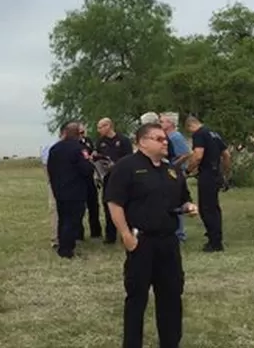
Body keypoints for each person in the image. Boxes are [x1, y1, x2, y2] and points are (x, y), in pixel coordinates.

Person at [104, 123, 199, 348]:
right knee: (137, 298)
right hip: (141, 242)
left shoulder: (171, 170)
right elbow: (114, 202)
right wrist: (126, 235)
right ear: (142, 141)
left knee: (171, 296)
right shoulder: (127, 167)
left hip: (168, 242)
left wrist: (189, 206)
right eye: (158, 138)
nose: (165, 142)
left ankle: (170, 342)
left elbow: (181, 199)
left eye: (165, 138)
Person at [46, 121, 94, 258]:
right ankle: (67, 249)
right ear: (78, 134)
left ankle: (62, 244)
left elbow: (50, 169)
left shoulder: (55, 148)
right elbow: (86, 169)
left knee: (63, 219)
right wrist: (89, 162)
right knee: (73, 220)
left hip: (59, 189)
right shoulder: (79, 149)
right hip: (75, 190)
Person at [185, 115, 230, 252]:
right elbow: (227, 154)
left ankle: (214, 242)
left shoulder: (199, 134)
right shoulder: (214, 134)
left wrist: (188, 170)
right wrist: (225, 173)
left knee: (206, 208)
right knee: (214, 207)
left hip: (207, 174)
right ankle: (215, 236)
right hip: (216, 173)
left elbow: (198, 155)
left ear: (190, 126)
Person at [95, 118, 134, 244]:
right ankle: (110, 235)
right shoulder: (100, 142)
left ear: (109, 126)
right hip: (107, 177)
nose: (99, 130)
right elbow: (98, 156)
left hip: (123, 177)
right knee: (108, 204)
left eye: (101, 127)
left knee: (126, 205)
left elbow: (129, 159)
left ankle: (128, 233)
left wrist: (117, 165)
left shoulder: (123, 140)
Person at [160, 112, 191, 242]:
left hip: (175, 173)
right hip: (168, 172)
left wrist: (173, 166)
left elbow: (185, 154)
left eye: (162, 121)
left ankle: (179, 234)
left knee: (177, 201)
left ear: (170, 123)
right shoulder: (166, 136)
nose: (160, 124)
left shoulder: (175, 137)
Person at [77, 123, 102, 240]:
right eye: (80, 132)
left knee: (94, 205)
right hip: (79, 178)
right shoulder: (74, 144)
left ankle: (96, 232)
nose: (82, 134)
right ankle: (78, 234)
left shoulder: (88, 141)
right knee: (79, 207)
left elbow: (92, 153)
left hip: (90, 177)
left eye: (83, 132)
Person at [40, 132, 62, 250]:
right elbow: (46, 166)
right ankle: (55, 238)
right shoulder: (50, 147)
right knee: (54, 208)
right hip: (56, 182)